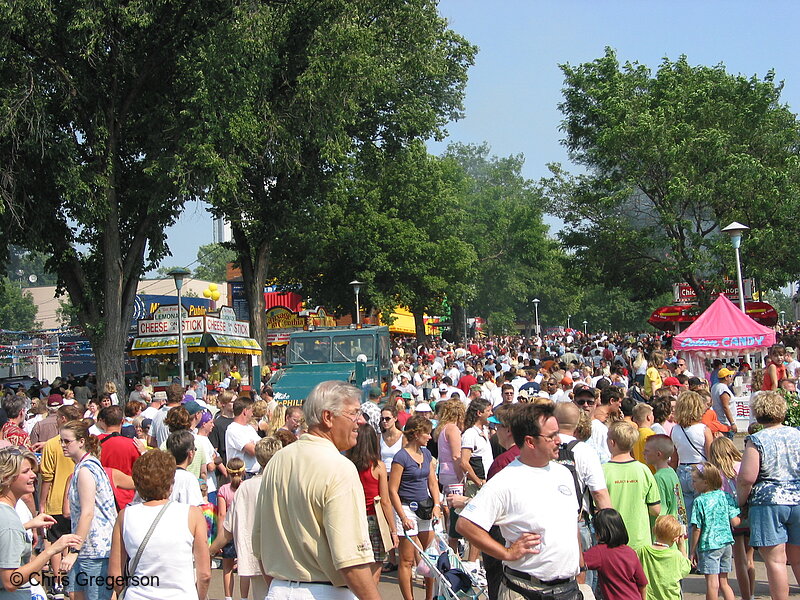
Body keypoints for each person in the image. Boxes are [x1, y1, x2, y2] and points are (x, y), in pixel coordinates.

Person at [252, 380, 380, 600]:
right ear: (328, 417)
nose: (359, 421)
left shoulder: (277, 461)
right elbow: (351, 560)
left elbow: (260, 544)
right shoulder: (339, 468)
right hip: (325, 591)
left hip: (279, 589)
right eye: (353, 414)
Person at [457, 402, 582, 600]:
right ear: (530, 442)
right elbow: (465, 524)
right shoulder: (505, 480)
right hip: (525, 590)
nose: (559, 440)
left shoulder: (564, 474)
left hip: (568, 589)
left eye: (557, 433)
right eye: (551, 436)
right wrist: (506, 553)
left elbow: (571, 524)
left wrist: (580, 567)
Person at [108, 449, 211, 599]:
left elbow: (114, 575)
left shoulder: (125, 516)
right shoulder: (193, 514)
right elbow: (205, 574)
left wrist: (124, 592)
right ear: (170, 481)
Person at [736, 390, 800, 600]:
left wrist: (740, 501)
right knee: (798, 559)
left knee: (775, 561)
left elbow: (747, 477)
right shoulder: (797, 434)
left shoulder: (757, 439)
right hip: (798, 498)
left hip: (768, 502)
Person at [0, 447, 81, 597]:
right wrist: (51, 550)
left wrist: (27, 525)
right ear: (6, 478)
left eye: (31, 470)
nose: (33, 475)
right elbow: (10, 581)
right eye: (25, 472)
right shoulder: (9, 521)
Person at [210, 437, 282, 600]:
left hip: (254, 558)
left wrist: (210, 551)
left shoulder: (246, 488)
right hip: (282, 560)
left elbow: (227, 530)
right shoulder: (284, 483)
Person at [59, 419, 119, 600]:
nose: (63, 445)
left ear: (81, 441)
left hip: (95, 550)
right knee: (74, 594)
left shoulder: (86, 469)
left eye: (67, 441)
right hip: (88, 548)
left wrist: (74, 551)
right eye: (61, 441)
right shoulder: (84, 466)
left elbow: (87, 513)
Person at [388, 415, 441, 600]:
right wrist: (402, 517)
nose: (430, 436)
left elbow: (433, 483)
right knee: (407, 560)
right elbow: (392, 490)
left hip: (425, 507)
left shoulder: (426, 454)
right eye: (427, 433)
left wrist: (437, 505)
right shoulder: (401, 457)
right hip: (406, 507)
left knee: (429, 558)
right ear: (417, 434)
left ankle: (429, 597)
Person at [347, 424, 398, 585]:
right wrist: (393, 529)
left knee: (357, 565)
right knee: (375, 567)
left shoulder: (348, 464)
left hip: (354, 518)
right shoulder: (378, 466)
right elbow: (385, 500)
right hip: (374, 519)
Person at [708, 436, 754, 600]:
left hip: (731, 520)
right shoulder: (742, 466)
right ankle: (752, 593)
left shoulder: (717, 475)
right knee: (750, 559)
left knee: (740, 560)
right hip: (748, 513)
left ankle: (746, 596)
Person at [603, 421, 661, 550]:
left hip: (611, 540)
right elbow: (656, 509)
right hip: (640, 541)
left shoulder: (603, 470)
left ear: (612, 443)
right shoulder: (644, 470)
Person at [689, 463, 740, 600]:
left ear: (705, 482)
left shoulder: (699, 501)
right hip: (726, 543)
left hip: (709, 546)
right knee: (724, 582)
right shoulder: (725, 496)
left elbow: (697, 528)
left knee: (712, 583)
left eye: (694, 481)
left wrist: (692, 550)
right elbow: (735, 521)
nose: (693, 484)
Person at [670, 391, 712, 536]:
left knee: (685, 515)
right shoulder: (704, 430)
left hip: (682, 470)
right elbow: (710, 456)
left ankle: (688, 550)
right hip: (700, 470)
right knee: (703, 513)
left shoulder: (675, 430)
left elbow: (674, 459)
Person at [583, 508, 648, 600]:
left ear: (600, 531)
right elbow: (642, 583)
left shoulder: (599, 552)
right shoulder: (630, 552)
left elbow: (578, 561)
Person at [636, 515, 691, 600]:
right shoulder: (676, 555)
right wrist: (681, 547)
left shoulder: (643, 551)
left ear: (654, 530)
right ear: (675, 538)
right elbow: (686, 568)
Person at [642, 435, 687, 537]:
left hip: (666, 537)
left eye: (647, 451)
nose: (643, 453)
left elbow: (659, 511)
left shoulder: (658, 478)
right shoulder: (671, 472)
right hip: (678, 531)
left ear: (658, 454)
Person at [217, 457, 246, 600]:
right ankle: (244, 597)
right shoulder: (246, 487)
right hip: (244, 531)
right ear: (244, 472)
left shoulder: (223, 489)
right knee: (244, 568)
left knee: (227, 568)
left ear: (227, 472)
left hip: (228, 532)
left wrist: (219, 538)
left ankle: (228, 597)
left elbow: (222, 514)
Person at [225, 397, 261, 477]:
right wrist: (254, 446)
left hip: (255, 473)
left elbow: (262, 446)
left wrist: (254, 445)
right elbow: (253, 451)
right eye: (251, 411)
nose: (252, 414)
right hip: (242, 475)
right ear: (245, 411)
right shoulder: (233, 429)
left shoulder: (250, 428)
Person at [710, 368, 737, 438]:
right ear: (726, 378)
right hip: (725, 423)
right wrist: (732, 423)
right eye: (729, 376)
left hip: (719, 420)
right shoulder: (723, 389)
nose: (731, 378)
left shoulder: (715, 386)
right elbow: (725, 407)